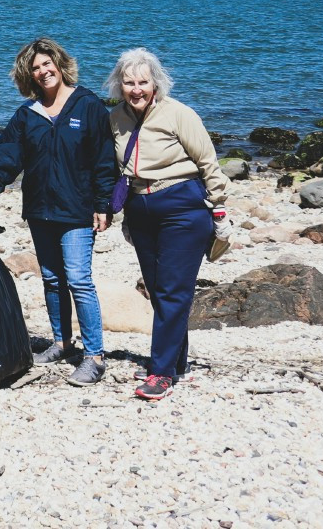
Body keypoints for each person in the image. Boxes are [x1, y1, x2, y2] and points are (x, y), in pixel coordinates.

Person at [0, 38, 116, 386]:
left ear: (60, 64)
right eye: (35, 68)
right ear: (29, 75)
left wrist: (103, 204)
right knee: (52, 279)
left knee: (79, 279)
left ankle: (94, 356)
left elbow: (104, 159)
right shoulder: (27, 115)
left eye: (47, 64)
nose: (43, 71)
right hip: (40, 209)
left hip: (77, 210)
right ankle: (62, 343)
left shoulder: (88, 105)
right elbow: (8, 158)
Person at [105, 47, 229, 401]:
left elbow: (209, 163)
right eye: (128, 82)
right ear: (119, 85)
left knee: (174, 290)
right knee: (160, 291)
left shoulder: (180, 114)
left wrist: (219, 210)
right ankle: (177, 363)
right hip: (140, 210)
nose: (136, 89)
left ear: (156, 82)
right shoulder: (115, 119)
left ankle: (160, 373)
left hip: (182, 208)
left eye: (143, 81)